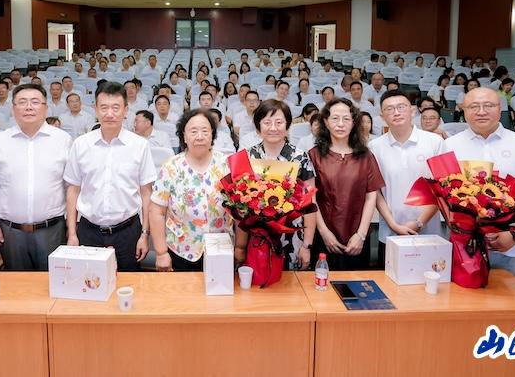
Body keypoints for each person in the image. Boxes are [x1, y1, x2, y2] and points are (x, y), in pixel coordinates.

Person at [445, 87, 515, 280]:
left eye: (488, 105)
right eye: (473, 106)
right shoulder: (448, 146)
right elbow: (442, 194)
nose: (481, 111)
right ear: (464, 110)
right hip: (463, 246)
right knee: (461, 298)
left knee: (512, 298)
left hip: (511, 248)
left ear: (500, 108)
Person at [64, 82, 156, 272]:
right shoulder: (81, 144)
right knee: (88, 282)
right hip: (89, 230)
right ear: (96, 110)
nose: (109, 113)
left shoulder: (139, 145)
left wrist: (144, 234)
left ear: (125, 111)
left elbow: (146, 193)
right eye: (104, 107)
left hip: (128, 231)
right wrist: (72, 233)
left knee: (128, 283)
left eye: (116, 107)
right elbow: (73, 190)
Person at [0, 84, 72, 271]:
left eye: (35, 102)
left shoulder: (63, 140)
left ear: (46, 107)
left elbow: (71, 187)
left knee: (54, 282)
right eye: (22, 102)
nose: (29, 107)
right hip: (10, 232)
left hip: (52, 230)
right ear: (13, 108)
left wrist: (72, 228)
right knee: (17, 284)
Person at [236, 100, 316, 270]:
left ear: (287, 127)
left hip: (292, 235)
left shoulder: (300, 157)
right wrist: (240, 246)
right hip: (256, 235)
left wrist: (307, 245)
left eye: (279, 122)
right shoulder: (248, 157)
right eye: (267, 122)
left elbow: (310, 204)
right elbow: (240, 206)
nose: (273, 128)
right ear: (258, 128)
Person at [149, 109, 232, 271]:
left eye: (205, 131)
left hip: (221, 249)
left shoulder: (226, 164)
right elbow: (156, 211)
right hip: (181, 249)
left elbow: (239, 209)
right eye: (193, 131)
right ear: (184, 136)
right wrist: (161, 253)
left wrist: (240, 247)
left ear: (212, 135)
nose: (199, 136)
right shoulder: (171, 166)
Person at [308, 98, 384, 270]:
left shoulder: (366, 156)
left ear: (354, 122)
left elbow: (371, 197)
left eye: (346, 119)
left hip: (357, 238)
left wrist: (361, 235)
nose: (340, 124)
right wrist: (324, 233)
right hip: (323, 236)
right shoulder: (313, 155)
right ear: (326, 122)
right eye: (335, 118)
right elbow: (311, 199)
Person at [370, 90, 445, 262]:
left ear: (412, 111)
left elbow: (445, 187)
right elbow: (375, 191)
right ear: (382, 116)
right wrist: (393, 224)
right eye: (389, 109)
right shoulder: (374, 147)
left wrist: (419, 222)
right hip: (390, 233)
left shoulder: (436, 142)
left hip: (429, 234)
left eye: (401, 107)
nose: (396, 113)